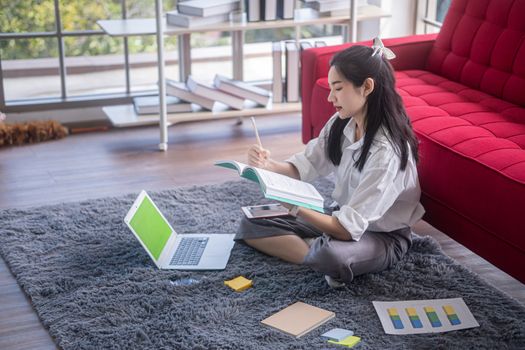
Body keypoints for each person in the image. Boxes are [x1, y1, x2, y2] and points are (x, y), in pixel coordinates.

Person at [235, 39, 425, 288]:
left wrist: (296, 208)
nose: (330, 98)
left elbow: (347, 229)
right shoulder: (342, 122)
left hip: (383, 236)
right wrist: (267, 164)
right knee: (251, 221)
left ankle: (319, 252)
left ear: (367, 87)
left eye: (338, 88)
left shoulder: (386, 152)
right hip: (338, 217)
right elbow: (304, 166)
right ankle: (315, 253)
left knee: (331, 255)